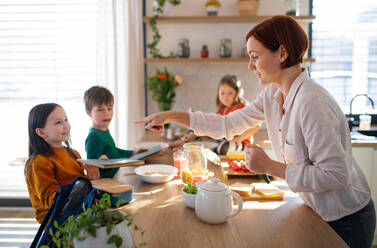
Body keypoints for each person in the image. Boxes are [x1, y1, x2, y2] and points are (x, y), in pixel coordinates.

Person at [136, 15, 376, 247]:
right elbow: (226, 125)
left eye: (255, 57)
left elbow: (335, 176)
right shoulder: (273, 95)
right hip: (314, 209)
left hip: (345, 220)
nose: (250, 66)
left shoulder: (312, 102)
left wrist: (270, 166)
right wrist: (170, 115)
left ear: (282, 53)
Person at [24, 103, 100, 223]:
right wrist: (81, 189)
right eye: (58, 122)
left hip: (80, 210)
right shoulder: (38, 162)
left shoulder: (74, 154)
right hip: (58, 222)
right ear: (41, 132)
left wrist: (90, 178)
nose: (66, 125)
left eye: (66, 120)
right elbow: (51, 200)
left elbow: (79, 185)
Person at [84, 86, 145, 178]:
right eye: (100, 110)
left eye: (109, 108)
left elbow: (113, 151)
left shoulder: (103, 130)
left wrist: (133, 153)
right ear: (89, 113)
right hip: (109, 182)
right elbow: (92, 170)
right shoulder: (94, 137)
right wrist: (99, 162)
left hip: (117, 174)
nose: (106, 113)